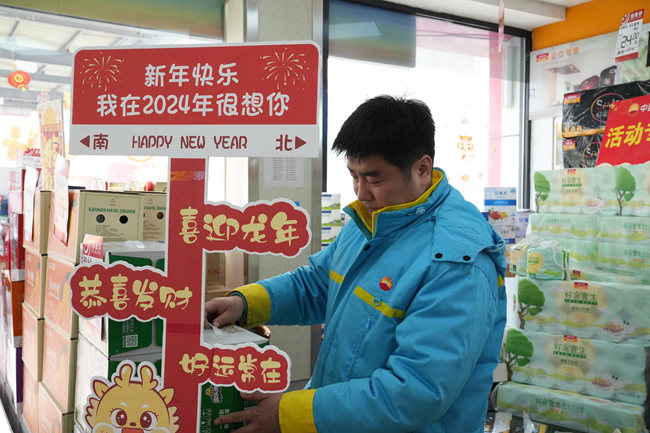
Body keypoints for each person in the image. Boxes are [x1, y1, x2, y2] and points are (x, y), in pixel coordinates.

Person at [205, 95, 507, 433]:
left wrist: (291, 414)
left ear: (422, 169)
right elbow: (317, 284)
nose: (361, 193)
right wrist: (244, 303)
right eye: (354, 176)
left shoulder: (457, 263)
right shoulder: (372, 220)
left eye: (374, 180)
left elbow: (415, 393)